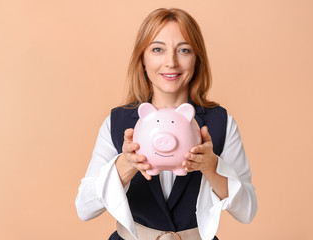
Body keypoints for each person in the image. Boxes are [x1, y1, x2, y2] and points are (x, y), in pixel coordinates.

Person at [75, 8, 257, 240]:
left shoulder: (221, 123)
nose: (170, 62)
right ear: (142, 58)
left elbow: (247, 212)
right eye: (158, 49)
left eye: (184, 50)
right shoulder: (117, 122)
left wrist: (212, 167)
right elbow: (85, 209)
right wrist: (125, 165)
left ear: (197, 59)